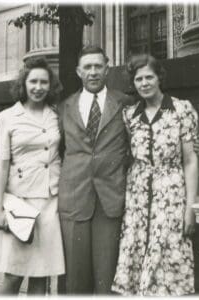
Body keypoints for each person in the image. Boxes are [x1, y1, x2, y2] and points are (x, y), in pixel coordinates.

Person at [111, 54, 199, 296]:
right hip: (137, 196)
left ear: (159, 77)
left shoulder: (181, 109)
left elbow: (190, 161)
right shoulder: (130, 115)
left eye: (149, 77)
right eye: (138, 79)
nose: (144, 83)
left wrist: (189, 208)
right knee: (137, 258)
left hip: (170, 193)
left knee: (166, 259)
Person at [57, 45, 133, 294]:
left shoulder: (125, 103)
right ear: (79, 71)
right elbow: (53, 150)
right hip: (75, 198)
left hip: (110, 199)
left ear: (107, 68)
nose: (93, 72)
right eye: (87, 67)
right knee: (76, 279)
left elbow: (135, 149)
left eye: (98, 66)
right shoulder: (64, 107)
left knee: (106, 278)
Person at [0, 57, 65, 295]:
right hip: (20, 203)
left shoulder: (56, 115)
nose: (38, 87)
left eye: (44, 82)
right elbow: (2, 165)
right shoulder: (7, 117)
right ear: (23, 84)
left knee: (41, 276)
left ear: (50, 85)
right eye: (33, 81)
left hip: (50, 202)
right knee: (13, 275)